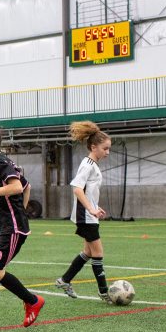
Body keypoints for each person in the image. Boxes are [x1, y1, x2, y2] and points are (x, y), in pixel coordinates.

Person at [0, 124, 44, 326]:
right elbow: (27, 186)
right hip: (2, 226)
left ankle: (33, 301)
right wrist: (20, 211)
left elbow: (16, 186)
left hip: (12, 228)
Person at [56, 121, 112, 302]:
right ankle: (104, 292)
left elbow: (88, 191)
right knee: (98, 252)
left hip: (89, 214)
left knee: (88, 251)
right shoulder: (87, 164)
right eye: (105, 149)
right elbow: (77, 188)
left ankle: (64, 280)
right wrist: (90, 209)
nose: (107, 152)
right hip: (85, 216)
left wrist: (95, 206)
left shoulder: (92, 164)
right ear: (94, 147)